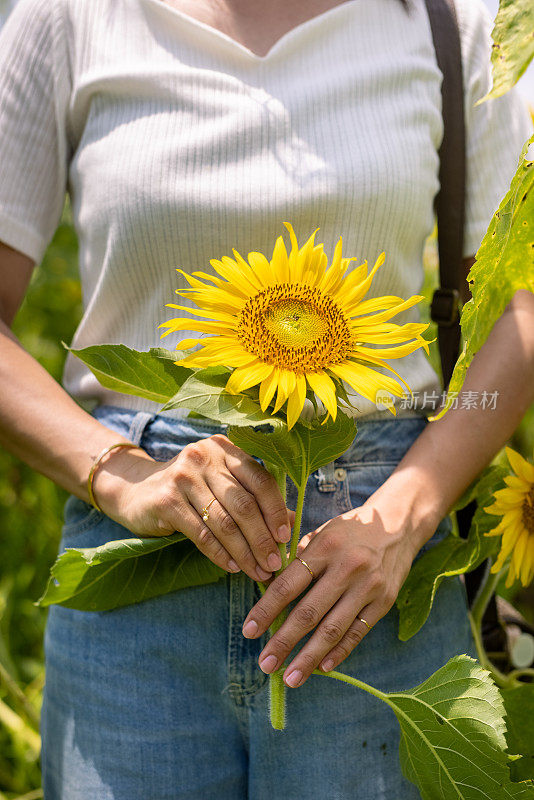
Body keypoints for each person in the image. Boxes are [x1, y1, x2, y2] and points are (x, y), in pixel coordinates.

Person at [0, 0, 533, 797]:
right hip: (141, 550)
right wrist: (117, 470)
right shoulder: (69, 16)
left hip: (379, 558)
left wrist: (412, 511)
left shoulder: (453, 22)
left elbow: (521, 300)